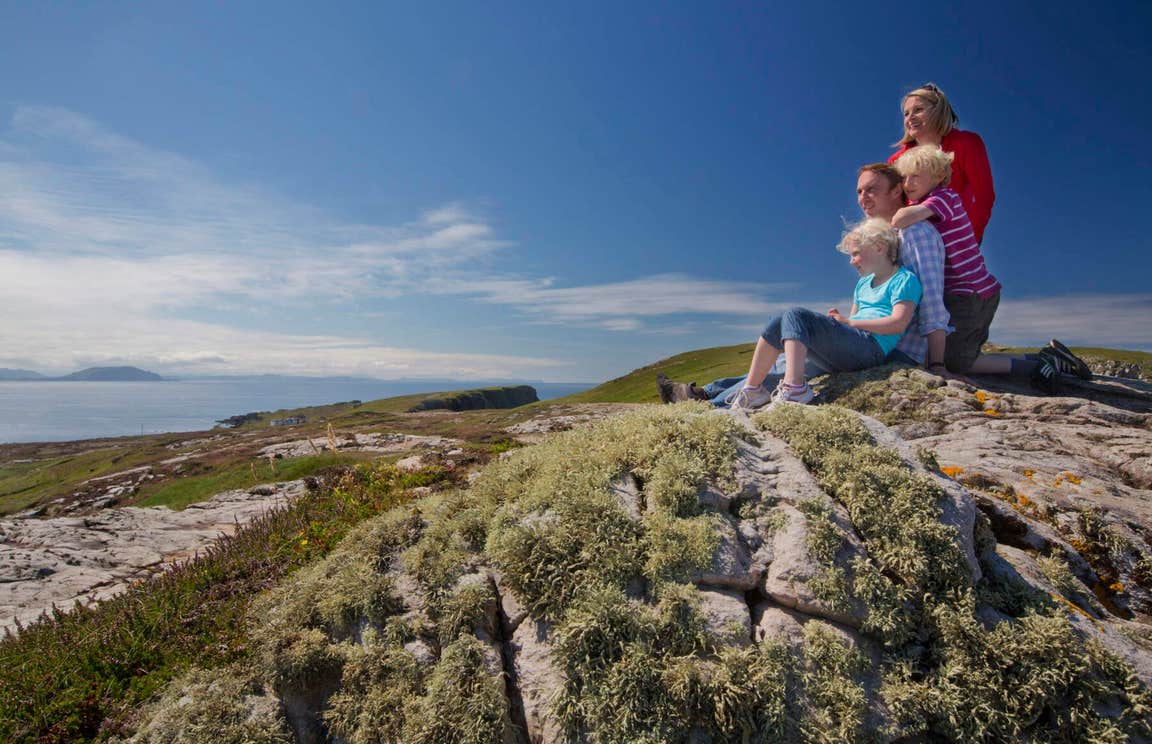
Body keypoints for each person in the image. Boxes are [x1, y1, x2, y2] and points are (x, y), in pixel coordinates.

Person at [891, 145, 1091, 390]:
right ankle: (1047, 359)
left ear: (939, 177)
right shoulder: (930, 201)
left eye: (915, 176)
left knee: (957, 362)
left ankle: (1037, 366)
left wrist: (895, 214)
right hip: (965, 291)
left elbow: (901, 219)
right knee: (954, 353)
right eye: (903, 177)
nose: (908, 183)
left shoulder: (944, 198)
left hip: (971, 293)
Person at [729, 218, 921, 410]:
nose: (851, 261)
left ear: (879, 247)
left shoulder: (904, 279)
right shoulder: (863, 284)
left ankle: (795, 387)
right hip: (854, 345)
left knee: (797, 315)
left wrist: (850, 323)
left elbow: (898, 323)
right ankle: (753, 389)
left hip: (872, 349)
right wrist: (837, 324)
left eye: (856, 254)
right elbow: (851, 320)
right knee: (780, 320)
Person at [888, 83, 995, 244]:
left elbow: (983, 196)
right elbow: (890, 205)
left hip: (955, 241)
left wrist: (970, 239)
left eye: (918, 110)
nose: (910, 118)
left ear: (938, 111)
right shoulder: (896, 161)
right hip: (912, 241)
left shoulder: (966, 143)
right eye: (906, 113)